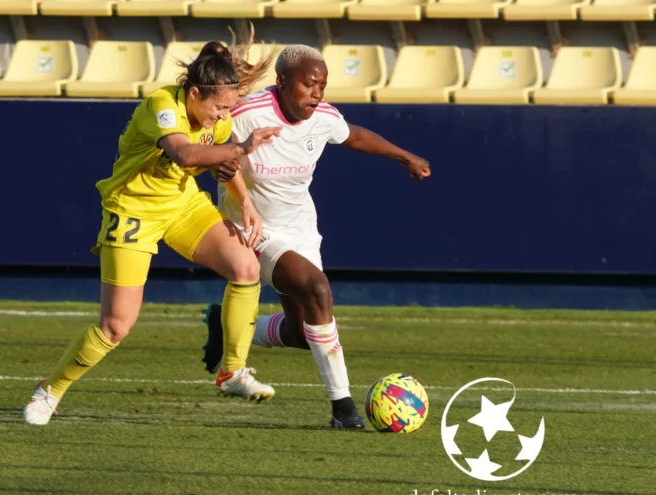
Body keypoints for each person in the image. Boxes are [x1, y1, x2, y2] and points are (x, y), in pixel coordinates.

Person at [23, 38, 282, 425]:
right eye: (219, 107)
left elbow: (222, 157)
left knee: (246, 267)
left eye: (229, 108)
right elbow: (185, 154)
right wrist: (241, 149)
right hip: (133, 211)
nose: (223, 115)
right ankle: (50, 390)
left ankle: (232, 371)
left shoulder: (218, 118)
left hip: (181, 204)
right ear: (194, 93)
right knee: (115, 326)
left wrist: (245, 200)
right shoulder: (163, 105)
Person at [201, 44, 430, 429]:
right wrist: (224, 168)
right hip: (251, 230)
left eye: (322, 85)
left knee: (301, 332)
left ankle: (226, 324)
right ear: (282, 81)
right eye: (309, 84)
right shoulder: (247, 114)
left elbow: (354, 136)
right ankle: (343, 409)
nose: (317, 93)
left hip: (301, 230)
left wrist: (405, 156)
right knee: (318, 289)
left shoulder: (322, 117)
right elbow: (213, 151)